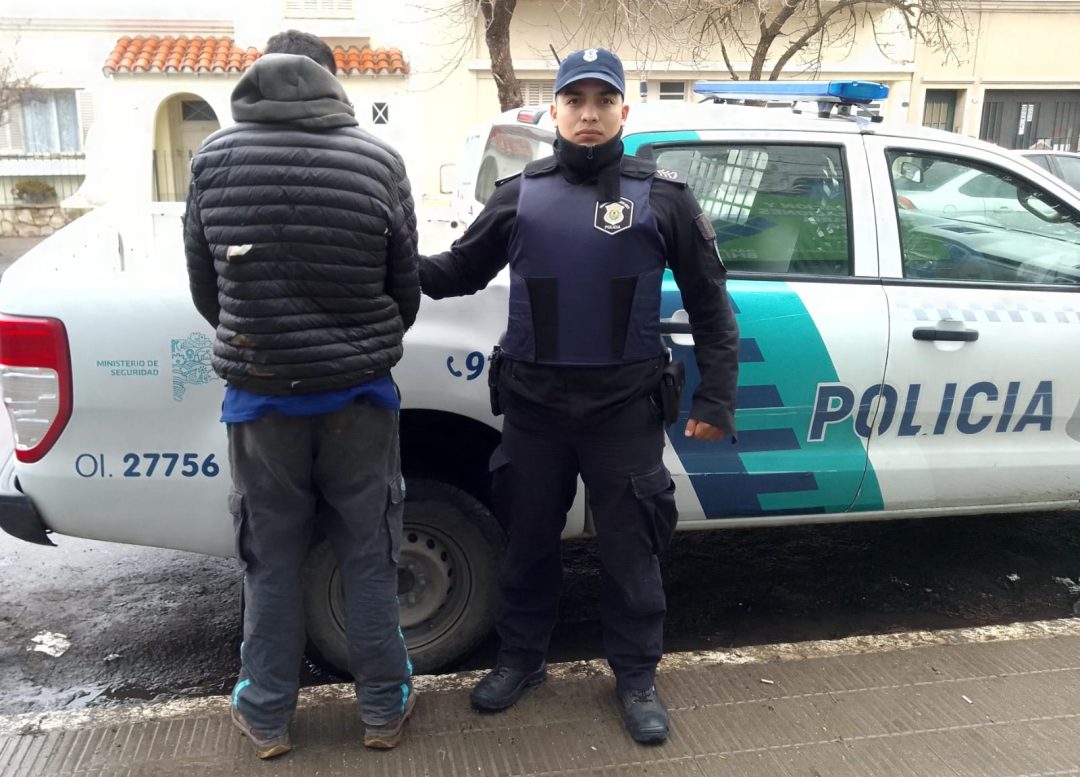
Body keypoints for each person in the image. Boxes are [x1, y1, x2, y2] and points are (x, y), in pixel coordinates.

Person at [419, 47, 739, 745]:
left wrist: (717, 400)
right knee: (527, 543)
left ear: (624, 110)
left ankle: (635, 676)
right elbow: (455, 273)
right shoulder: (520, 193)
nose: (588, 114)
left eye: (603, 101)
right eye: (575, 101)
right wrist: (384, 254)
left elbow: (711, 306)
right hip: (535, 410)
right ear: (554, 111)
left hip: (624, 410)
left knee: (632, 550)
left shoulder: (665, 198)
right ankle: (522, 660)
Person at [183, 30, 420, 759]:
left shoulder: (213, 159)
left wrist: (266, 342)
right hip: (359, 397)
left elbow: (206, 288)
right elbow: (403, 288)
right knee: (370, 550)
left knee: (271, 557)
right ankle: (382, 710)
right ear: (333, 78)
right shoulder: (378, 161)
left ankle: (265, 717)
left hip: (262, 402)